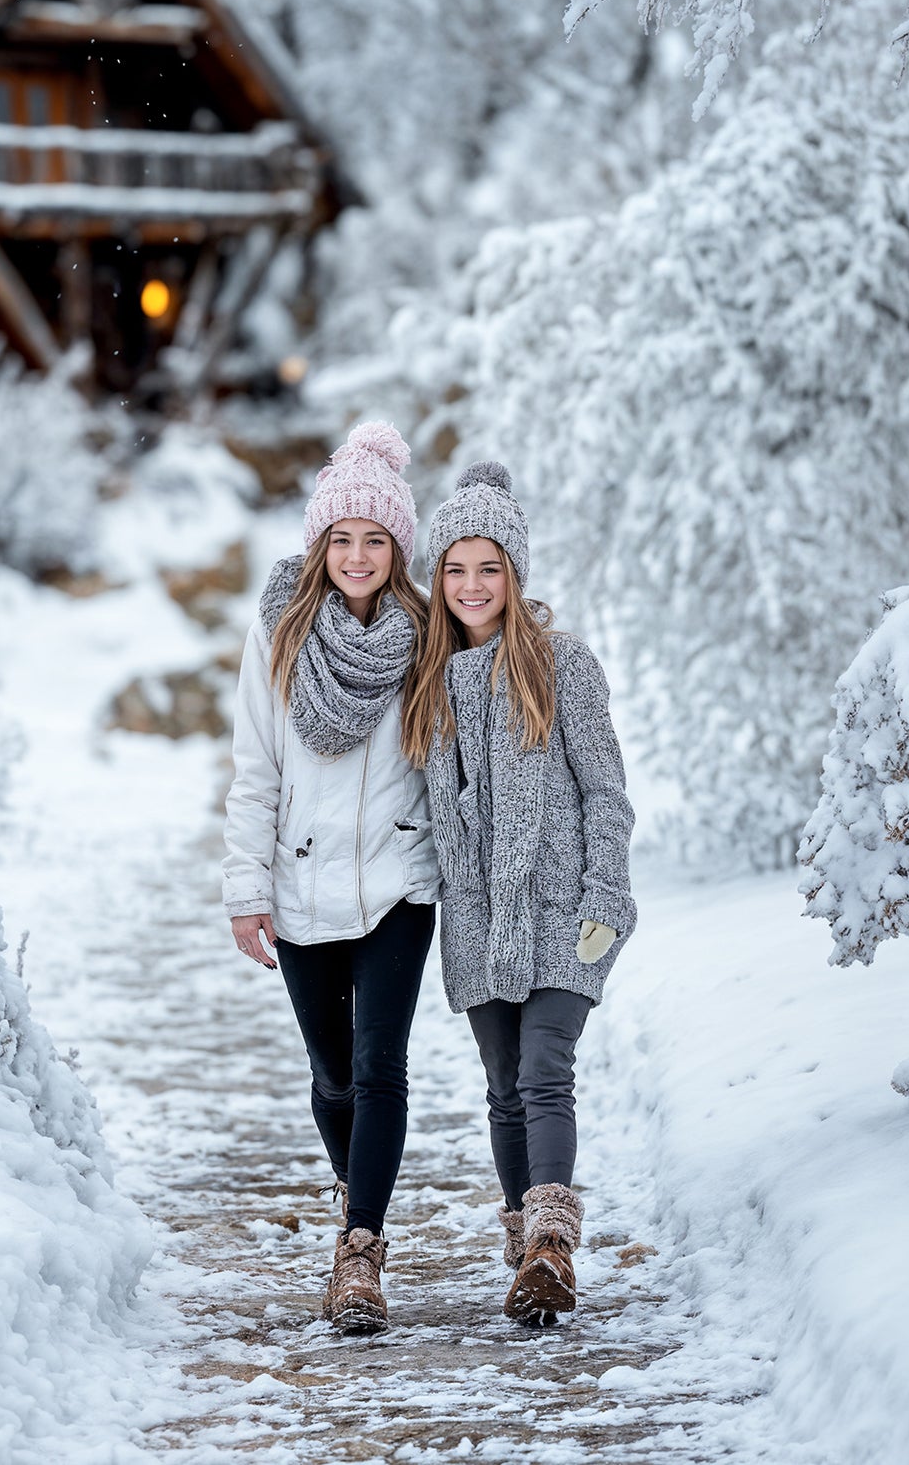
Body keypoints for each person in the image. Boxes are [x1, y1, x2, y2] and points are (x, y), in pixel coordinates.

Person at [401, 461, 636, 1325]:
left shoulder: (561, 665)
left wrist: (604, 896)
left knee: (543, 1069)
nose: (471, 586)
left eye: (488, 568)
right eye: (455, 569)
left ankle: (551, 1246)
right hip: (474, 914)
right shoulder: (425, 680)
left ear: (514, 573)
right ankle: (525, 1251)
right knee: (503, 1084)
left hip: (563, 905)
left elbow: (605, 791)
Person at [223, 422, 438, 1334]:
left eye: (374, 540)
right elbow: (254, 770)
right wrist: (246, 889)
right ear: (319, 545)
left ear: (397, 549)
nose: (356, 557)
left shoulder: (426, 637)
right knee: (333, 1075)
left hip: (398, 883)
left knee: (380, 1066)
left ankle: (360, 1249)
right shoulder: (276, 634)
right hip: (302, 885)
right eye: (341, 538)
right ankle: (356, 1186)